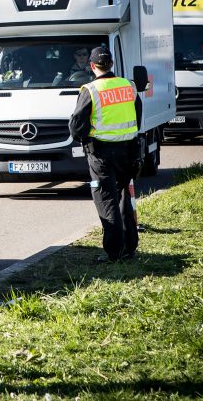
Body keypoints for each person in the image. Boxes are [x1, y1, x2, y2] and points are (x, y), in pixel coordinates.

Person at [68, 46, 143, 263]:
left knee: (106, 199)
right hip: (128, 151)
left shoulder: (90, 90)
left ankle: (114, 251)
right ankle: (130, 246)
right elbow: (137, 117)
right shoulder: (129, 86)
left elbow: (76, 126)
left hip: (101, 153)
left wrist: (85, 138)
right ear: (111, 64)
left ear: (92, 66)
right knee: (123, 198)